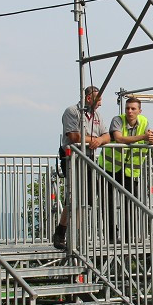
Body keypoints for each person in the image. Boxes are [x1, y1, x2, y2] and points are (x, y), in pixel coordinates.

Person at [52, 86, 111, 249]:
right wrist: (94, 139)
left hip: (89, 158)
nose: (100, 103)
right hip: (72, 158)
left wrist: (98, 141)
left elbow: (107, 135)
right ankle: (62, 233)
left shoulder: (97, 115)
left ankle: (71, 233)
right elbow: (73, 135)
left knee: (87, 197)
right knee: (74, 197)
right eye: (98, 100)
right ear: (89, 99)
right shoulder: (72, 111)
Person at [100, 97, 153, 241]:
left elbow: (149, 140)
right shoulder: (118, 120)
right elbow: (119, 139)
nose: (129, 111)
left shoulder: (144, 122)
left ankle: (129, 237)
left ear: (139, 111)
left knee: (131, 204)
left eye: (133, 109)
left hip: (130, 171)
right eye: (127, 108)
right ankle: (112, 237)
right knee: (108, 204)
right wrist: (143, 136)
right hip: (109, 168)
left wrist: (151, 139)